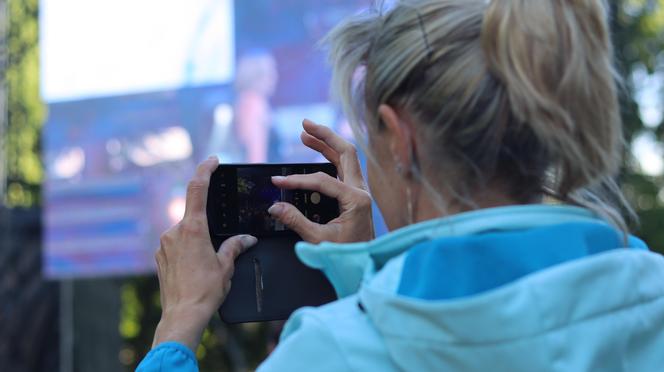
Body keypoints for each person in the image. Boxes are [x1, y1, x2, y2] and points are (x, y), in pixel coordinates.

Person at [138, 0, 664, 370]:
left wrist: (178, 326)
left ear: (400, 139)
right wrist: (364, 279)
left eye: (371, 134)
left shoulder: (327, 352)